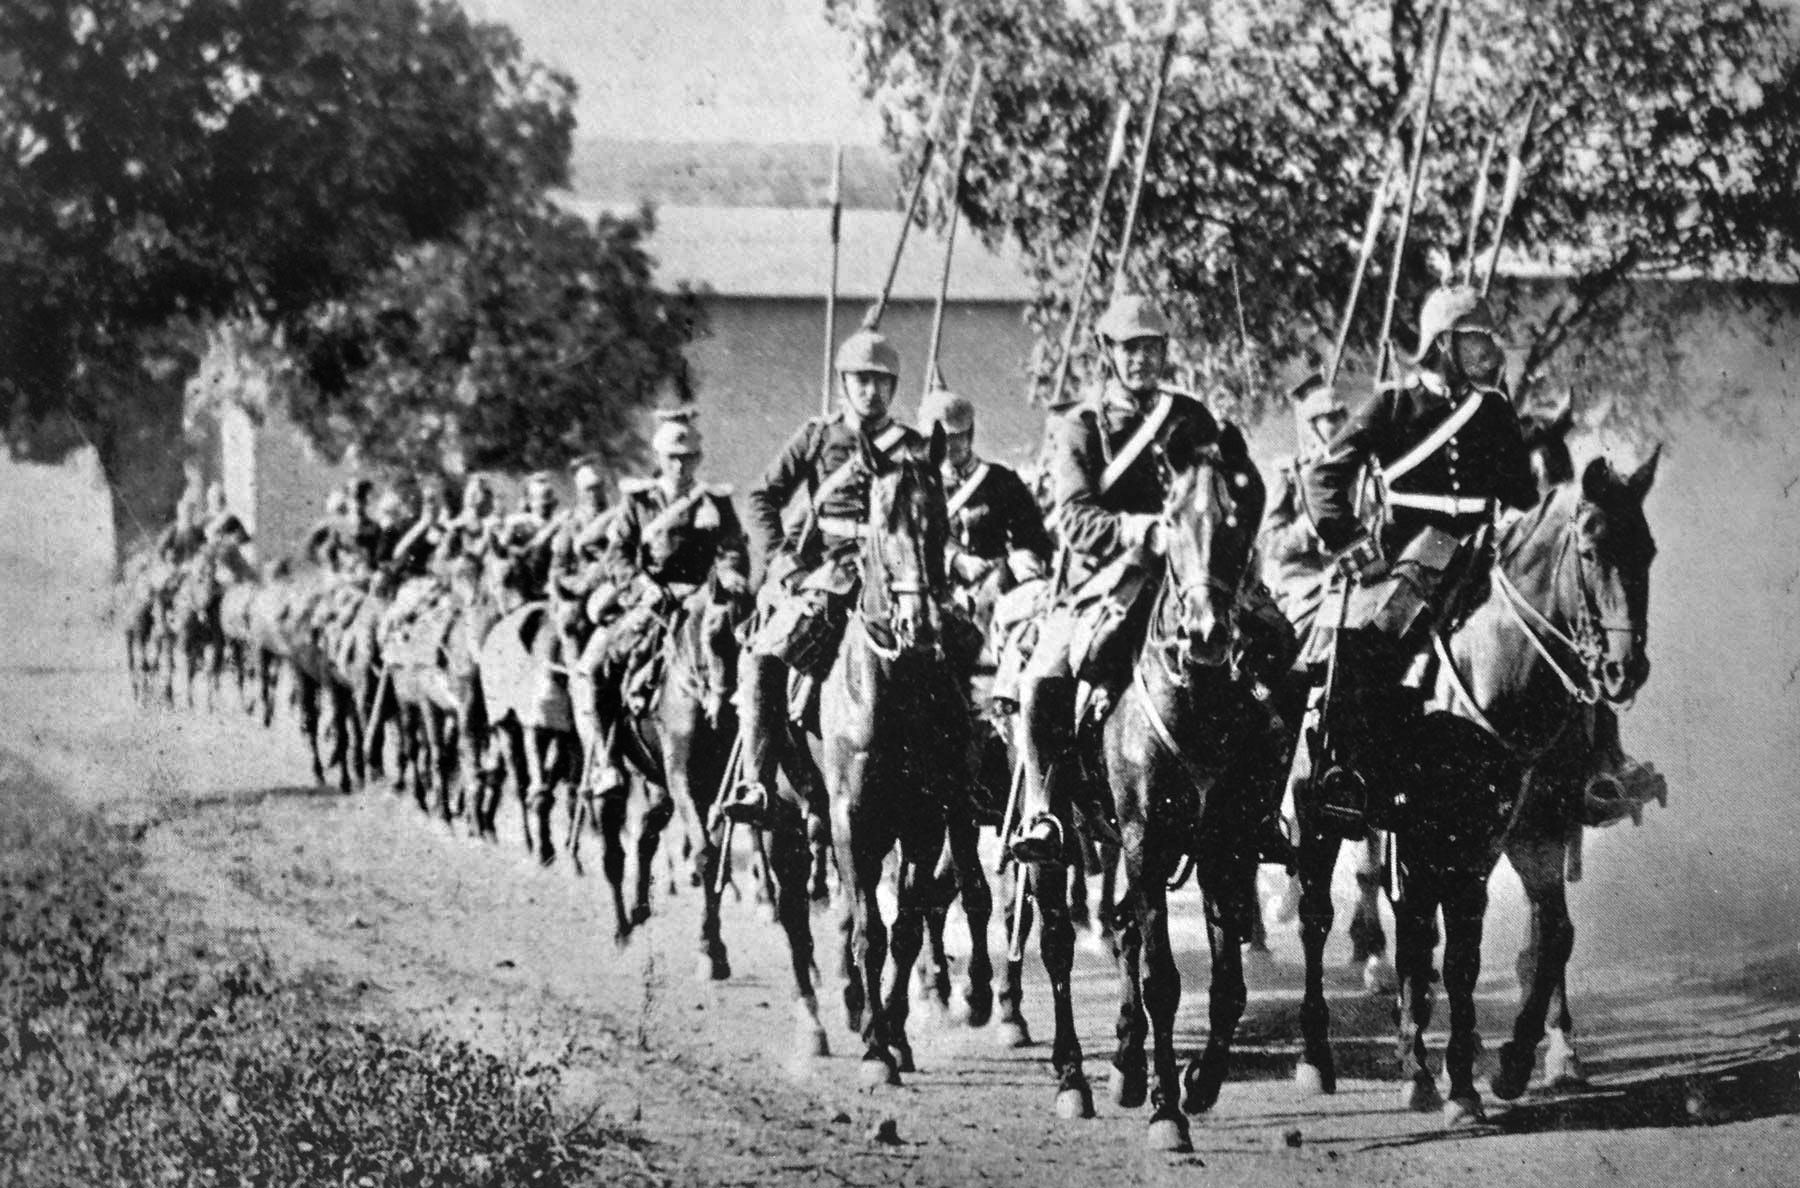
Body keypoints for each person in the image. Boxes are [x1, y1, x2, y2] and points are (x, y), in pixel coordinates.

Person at [1009, 295, 1262, 863]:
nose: (1144, 359)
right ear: (1108, 354)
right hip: (1105, 578)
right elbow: (1073, 516)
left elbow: (1221, 490)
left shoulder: (1192, 417)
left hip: (1192, 576)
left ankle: (1260, 809)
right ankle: (1044, 812)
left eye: (1153, 348)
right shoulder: (1080, 426)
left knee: (1277, 652)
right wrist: (1141, 531)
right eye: (1132, 349)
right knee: (1044, 679)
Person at [1298, 283, 1539, 831]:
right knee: (1367, 642)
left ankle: (1598, 762)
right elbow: (1324, 477)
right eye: (1476, 337)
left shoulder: (1495, 408)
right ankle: (1348, 775)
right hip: (1416, 552)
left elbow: (1521, 495)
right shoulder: (1392, 404)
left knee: (1561, 616)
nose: (1489, 349)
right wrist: (1355, 546)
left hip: (1486, 547)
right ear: (1443, 344)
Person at [719, 329, 926, 827]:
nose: (872, 391)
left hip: (898, 580)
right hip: (829, 576)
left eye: (881, 381)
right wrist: (784, 561)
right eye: (862, 380)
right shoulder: (817, 437)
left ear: (894, 387)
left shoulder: (913, 446)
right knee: (764, 656)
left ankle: (968, 777)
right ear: (844, 383)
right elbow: (761, 498)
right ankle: (758, 781)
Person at [582, 413, 749, 794]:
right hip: (652, 601)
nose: (680, 464)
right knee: (598, 666)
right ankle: (608, 763)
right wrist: (641, 585)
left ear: (698, 459)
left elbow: (733, 548)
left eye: (688, 457)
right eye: (673, 456)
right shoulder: (639, 501)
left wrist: (726, 575)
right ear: (659, 458)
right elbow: (617, 554)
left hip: (703, 600)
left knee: (747, 658)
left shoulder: (714, 502)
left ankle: (755, 766)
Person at [915, 387, 1054, 614]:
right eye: (940, 439)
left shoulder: (1000, 480)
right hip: (935, 592)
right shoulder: (917, 486)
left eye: (956, 436)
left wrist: (1020, 562)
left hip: (994, 590)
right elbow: (905, 544)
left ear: (970, 433)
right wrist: (953, 562)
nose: (949, 446)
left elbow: (1033, 536)